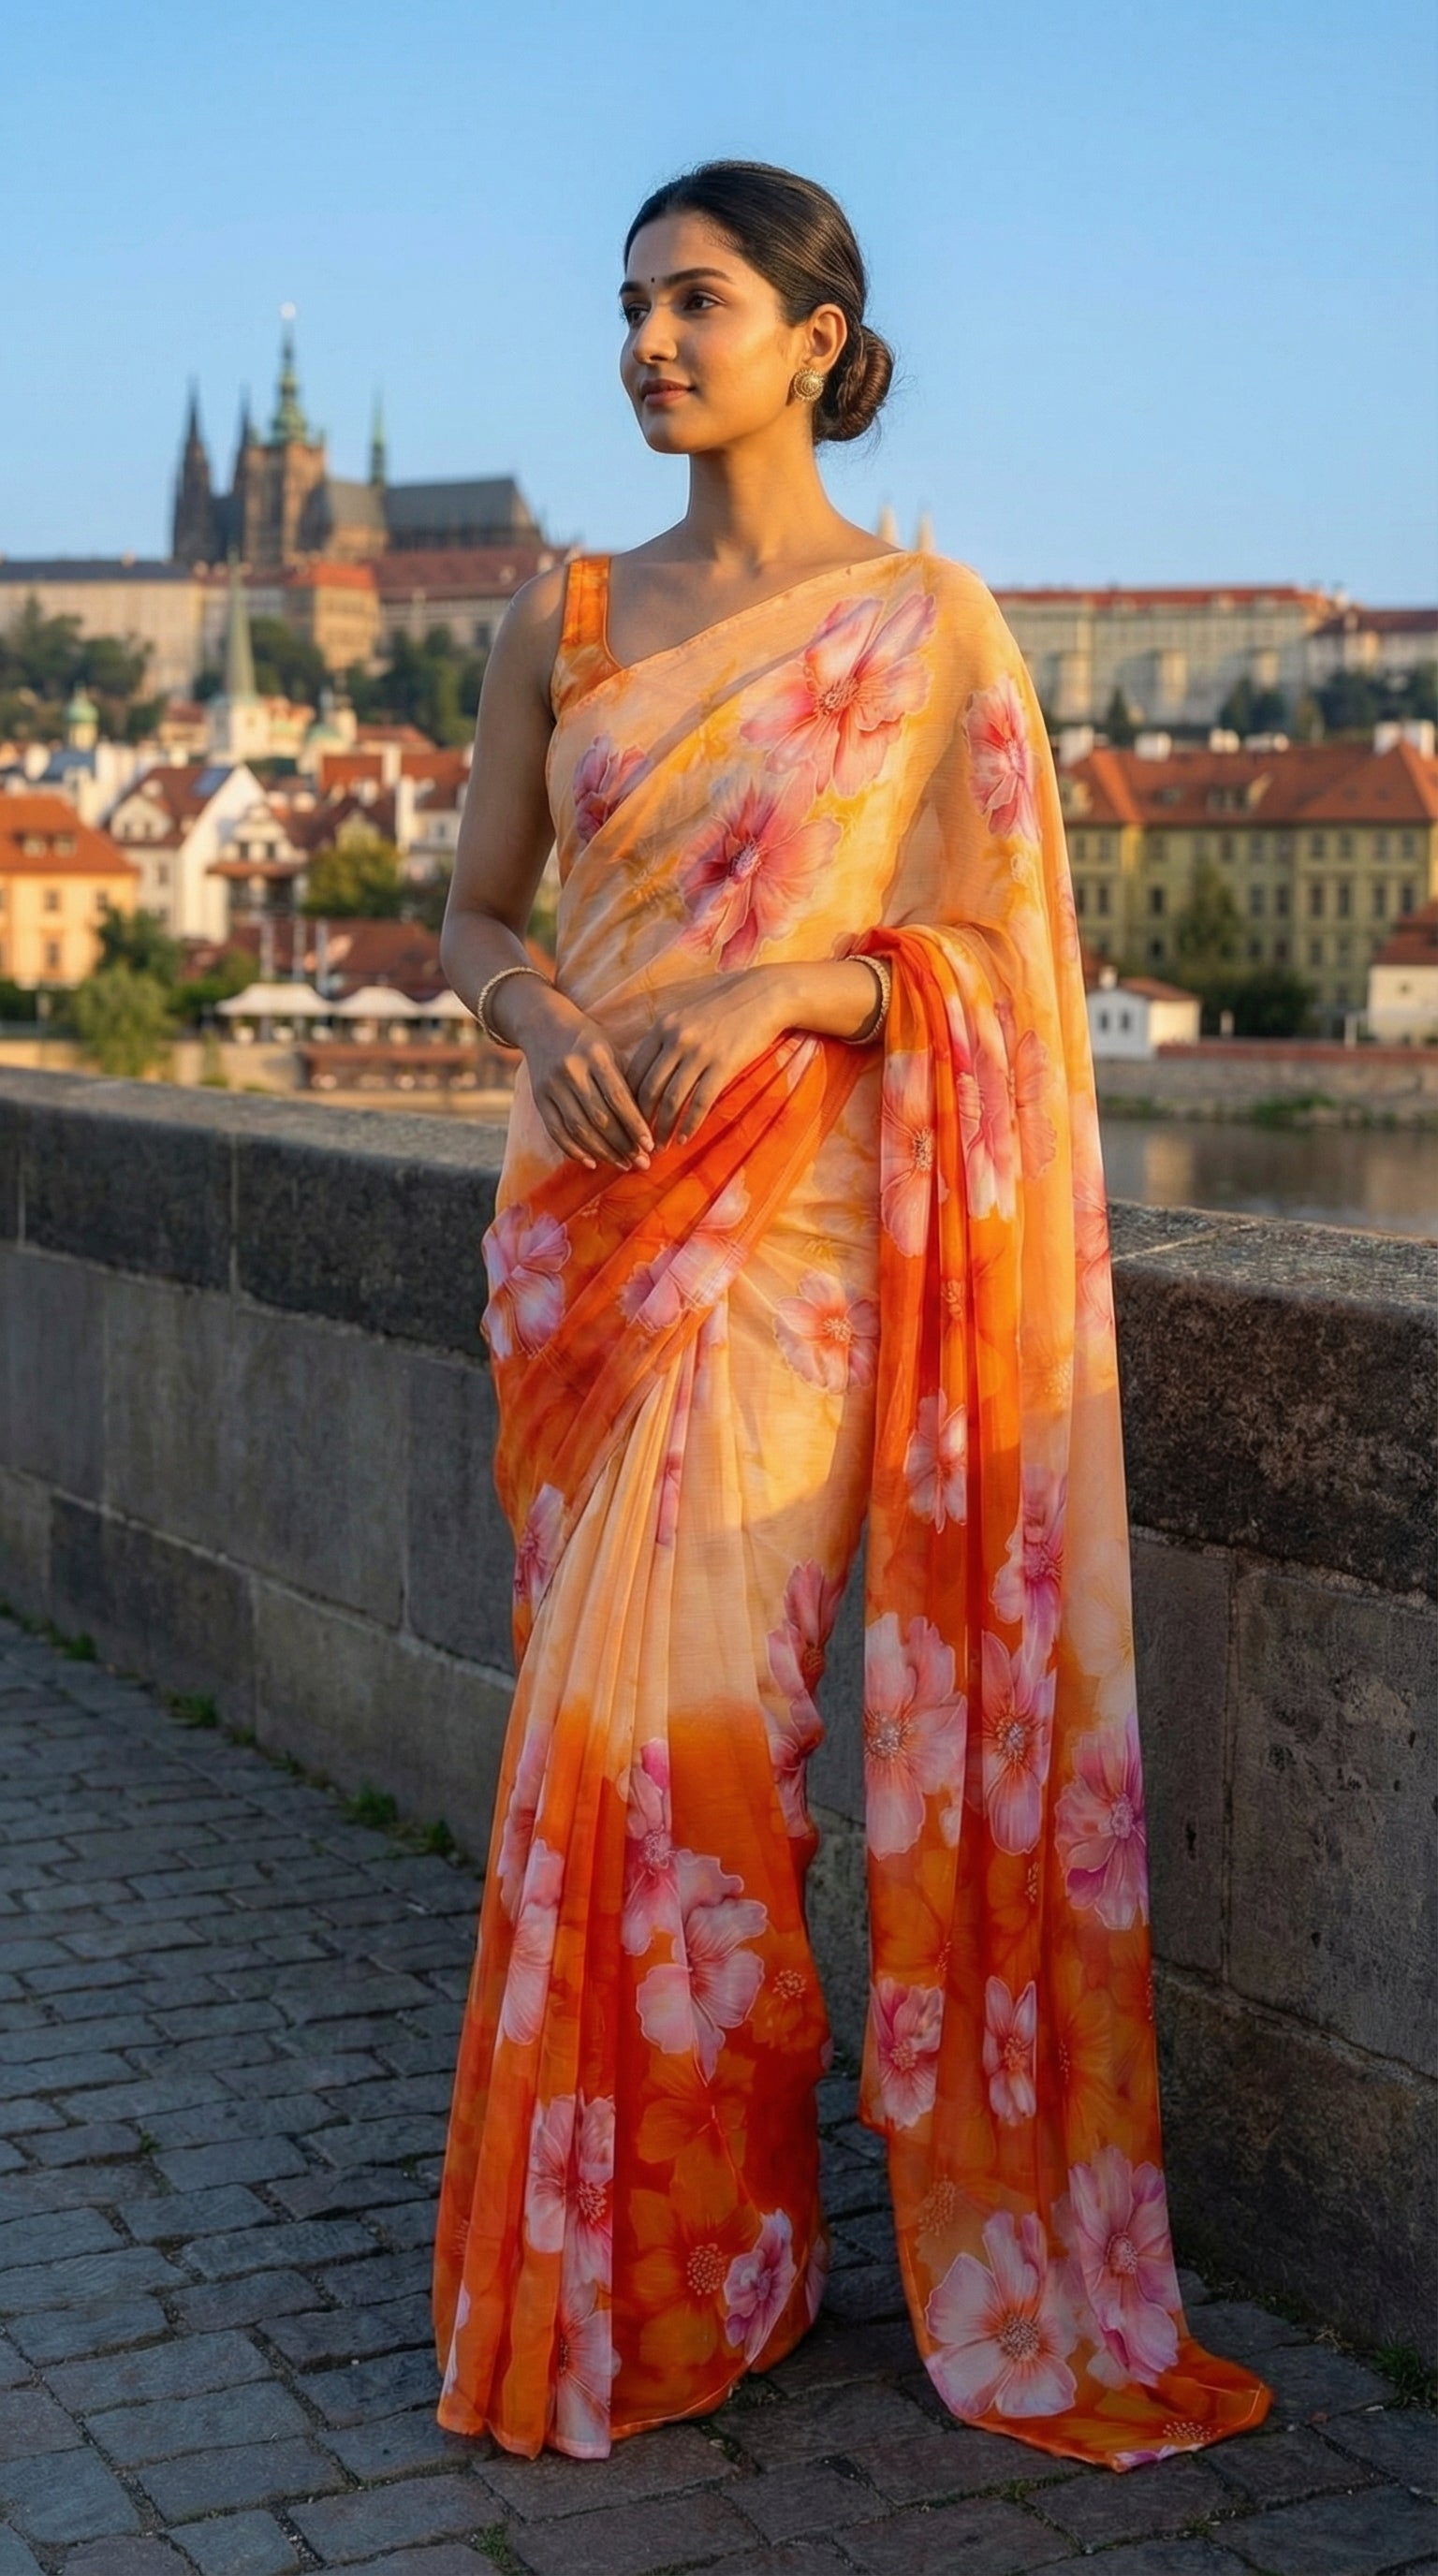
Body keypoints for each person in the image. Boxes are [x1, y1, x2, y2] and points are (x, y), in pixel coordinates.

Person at [431, 157, 1272, 2471]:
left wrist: (810, 976)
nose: (647, 343)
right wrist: (536, 1023)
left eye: (695, 301)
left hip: (801, 1263)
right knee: (603, 1771)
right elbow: (475, 912)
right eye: (627, 307)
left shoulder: (929, 629)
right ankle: (675, 2269)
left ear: (818, 335)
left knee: (702, 1764)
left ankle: (722, 2240)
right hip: (588, 1238)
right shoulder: (561, 615)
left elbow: (1005, 963)